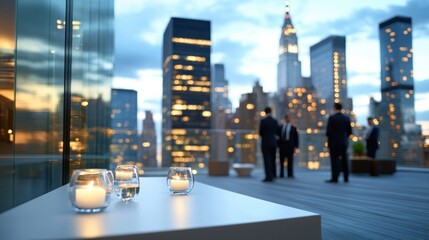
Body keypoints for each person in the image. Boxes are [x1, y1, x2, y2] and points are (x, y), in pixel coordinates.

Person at [326, 103, 352, 183]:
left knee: (334, 160)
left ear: (334, 108)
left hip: (334, 143)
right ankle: (346, 178)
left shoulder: (332, 118)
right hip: (344, 143)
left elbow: (328, 132)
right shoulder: (346, 118)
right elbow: (349, 132)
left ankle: (335, 177)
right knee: (344, 160)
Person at [259, 107, 279, 182]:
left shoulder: (263, 121)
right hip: (273, 143)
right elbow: (277, 131)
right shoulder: (275, 121)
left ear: (265, 112)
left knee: (267, 160)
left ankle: (268, 176)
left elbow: (260, 132)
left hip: (265, 143)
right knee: (273, 159)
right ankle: (274, 175)